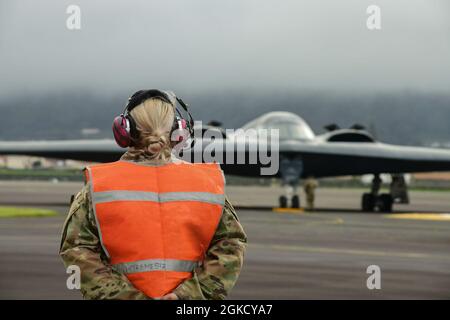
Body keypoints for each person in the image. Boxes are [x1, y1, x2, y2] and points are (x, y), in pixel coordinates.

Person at [59, 89, 247, 300]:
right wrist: (187, 295)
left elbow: (77, 250)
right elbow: (230, 246)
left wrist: (125, 296)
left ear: (124, 129)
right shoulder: (207, 184)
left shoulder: (98, 187)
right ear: (179, 131)